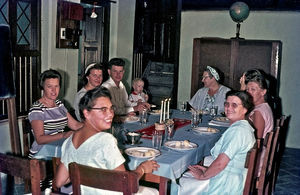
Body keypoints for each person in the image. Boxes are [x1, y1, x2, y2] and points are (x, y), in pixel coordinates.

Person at [55, 86, 159, 195]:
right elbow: (126, 184)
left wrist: (85, 173)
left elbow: (59, 182)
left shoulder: (70, 141)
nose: (110, 114)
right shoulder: (105, 140)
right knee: (153, 191)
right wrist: (142, 168)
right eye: (103, 109)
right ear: (86, 113)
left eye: (111, 108)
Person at [179, 90, 255, 195]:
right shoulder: (243, 126)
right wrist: (207, 169)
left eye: (234, 105)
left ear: (245, 109)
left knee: (181, 182)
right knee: (189, 174)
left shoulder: (238, 131)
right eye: (227, 104)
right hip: (232, 176)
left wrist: (203, 176)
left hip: (226, 185)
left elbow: (220, 164)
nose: (229, 108)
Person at [28, 69, 83, 159]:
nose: (54, 90)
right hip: (42, 156)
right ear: (43, 87)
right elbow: (40, 139)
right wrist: (63, 135)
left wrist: (92, 126)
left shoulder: (59, 104)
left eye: (56, 86)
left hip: (58, 150)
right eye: (49, 86)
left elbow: (75, 125)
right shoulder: (37, 108)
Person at [245, 69, 274, 139]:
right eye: (247, 89)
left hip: (257, 149)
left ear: (263, 92)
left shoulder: (258, 112)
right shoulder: (263, 106)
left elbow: (256, 141)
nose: (248, 93)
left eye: (253, 89)